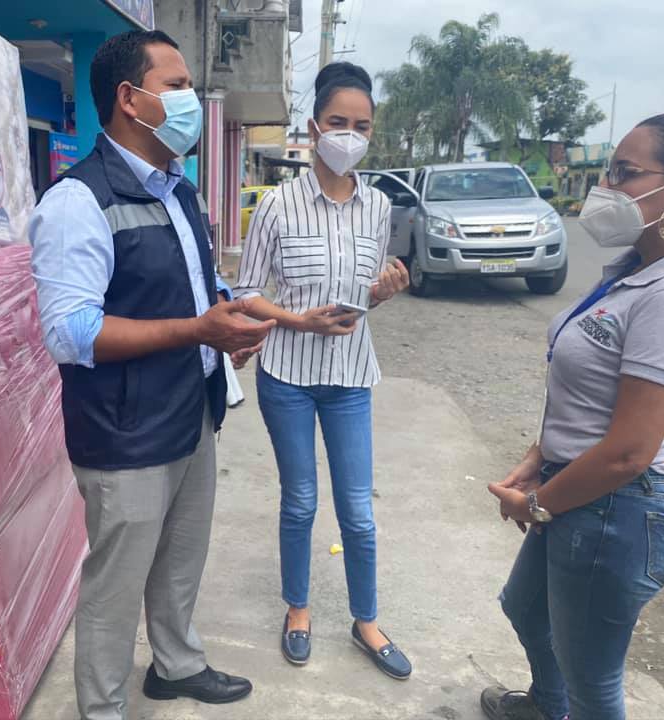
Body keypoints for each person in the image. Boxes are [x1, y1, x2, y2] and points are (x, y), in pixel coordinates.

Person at [29, 30, 271, 720]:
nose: (192, 100)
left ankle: (176, 665)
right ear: (130, 100)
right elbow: (70, 333)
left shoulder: (179, 192)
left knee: (181, 557)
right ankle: (102, 709)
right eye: (178, 86)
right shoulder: (77, 202)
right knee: (115, 584)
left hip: (191, 410)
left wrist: (225, 328)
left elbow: (197, 288)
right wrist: (198, 331)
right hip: (124, 431)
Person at [484, 111, 664, 720]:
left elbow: (630, 451)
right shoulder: (639, 267)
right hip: (580, 486)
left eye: (625, 173)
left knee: (593, 679)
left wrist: (537, 504)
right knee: (526, 610)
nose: (604, 188)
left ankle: (561, 704)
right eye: (608, 171)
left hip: (620, 507)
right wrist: (541, 455)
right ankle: (546, 704)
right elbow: (589, 389)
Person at [232, 62, 412, 678]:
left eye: (361, 126)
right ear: (313, 129)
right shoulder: (276, 205)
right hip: (287, 375)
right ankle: (298, 609)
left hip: (350, 378)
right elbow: (246, 292)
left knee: (357, 510)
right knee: (301, 501)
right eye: (338, 122)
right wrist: (296, 320)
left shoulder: (378, 206)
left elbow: (362, 297)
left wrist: (382, 293)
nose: (349, 136)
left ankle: (366, 620)